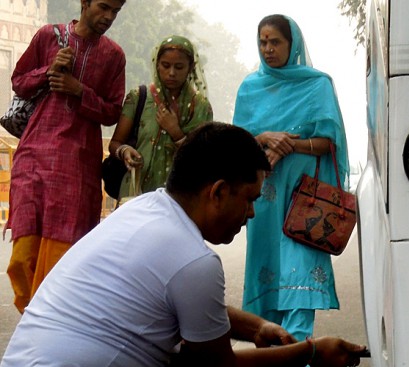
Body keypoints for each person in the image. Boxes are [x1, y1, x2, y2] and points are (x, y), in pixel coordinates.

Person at [1, 122, 366, 367]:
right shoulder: (195, 261)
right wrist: (312, 351)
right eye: (250, 198)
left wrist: (256, 328)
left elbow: (175, 300)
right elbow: (213, 365)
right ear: (219, 192)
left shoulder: (143, 208)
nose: (252, 213)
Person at [5, 0, 127, 313]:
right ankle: (34, 317)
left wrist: (78, 90)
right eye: (103, 7)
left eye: (115, 11)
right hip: (35, 155)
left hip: (78, 166)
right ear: (84, 3)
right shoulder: (48, 36)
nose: (108, 16)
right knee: (23, 257)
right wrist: (49, 71)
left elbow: (113, 110)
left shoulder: (114, 56)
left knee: (63, 256)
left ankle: (50, 322)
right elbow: (19, 81)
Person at [233, 14, 350, 342]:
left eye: (275, 42)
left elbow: (329, 143)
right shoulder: (250, 88)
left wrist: (290, 145)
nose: (268, 49)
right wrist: (266, 137)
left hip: (306, 200)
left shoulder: (316, 85)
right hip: (265, 200)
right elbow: (238, 142)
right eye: (263, 42)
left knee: (299, 277)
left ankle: (296, 355)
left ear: (292, 44)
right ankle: (272, 352)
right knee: (268, 274)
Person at [109, 35, 213, 200]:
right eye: (166, 65)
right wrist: (125, 151)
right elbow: (115, 143)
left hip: (180, 196)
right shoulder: (139, 97)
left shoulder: (200, 106)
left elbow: (202, 158)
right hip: (136, 192)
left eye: (179, 67)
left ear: (190, 67)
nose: (171, 73)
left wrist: (176, 132)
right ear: (157, 64)